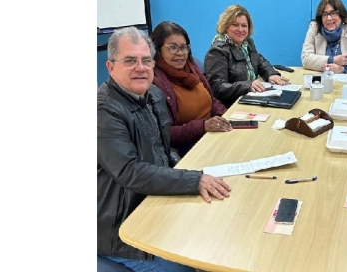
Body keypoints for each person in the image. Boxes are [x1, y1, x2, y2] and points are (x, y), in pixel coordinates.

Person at [97, 26, 232, 272]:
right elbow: (131, 171)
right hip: (122, 227)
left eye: (145, 60)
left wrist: (195, 172)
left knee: (219, 234)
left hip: (157, 203)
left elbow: (163, 148)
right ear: (111, 67)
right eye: (130, 60)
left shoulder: (154, 95)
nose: (140, 68)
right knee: (191, 266)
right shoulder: (104, 111)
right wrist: (192, 180)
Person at [150, 21, 232, 156]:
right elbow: (165, 134)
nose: (180, 53)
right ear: (157, 50)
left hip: (211, 132)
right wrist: (203, 126)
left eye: (183, 47)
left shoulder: (192, 68)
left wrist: (227, 116)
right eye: (173, 47)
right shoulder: (155, 84)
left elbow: (211, 100)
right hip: (189, 144)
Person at [204, 4, 289, 108]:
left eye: (244, 25)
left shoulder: (246, 42)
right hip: (232, 105)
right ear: (226, 26)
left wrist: (270, 74)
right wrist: (247, 85)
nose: (240, 29)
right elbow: (217, 87)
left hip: (251, 97)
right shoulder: (217, 51)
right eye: (235, 25)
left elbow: (258, 59)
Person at [300, 0, 347, 73]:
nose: (329, 18)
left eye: (333, 13)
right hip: (322, 80)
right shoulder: (314, 27)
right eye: (325, 14)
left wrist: (343, 69)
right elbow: (306, 59)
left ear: (341, 14)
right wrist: (334, 60)